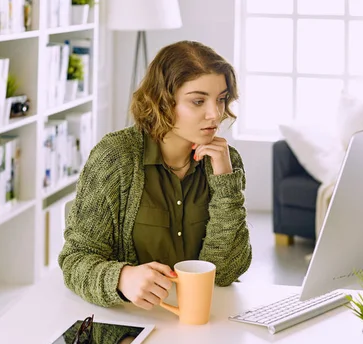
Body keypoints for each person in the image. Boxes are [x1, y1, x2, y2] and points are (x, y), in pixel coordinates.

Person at [59, 40, 253, 310]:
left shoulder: (224, 162)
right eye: (198, 101)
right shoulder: (115, 158)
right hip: (130, 320)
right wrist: (122, 278)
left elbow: (226, 272)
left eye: (221, 99)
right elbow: (75, 259)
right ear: (163, 101)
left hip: (201, 320)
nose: (215, 114)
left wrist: (225, 181)